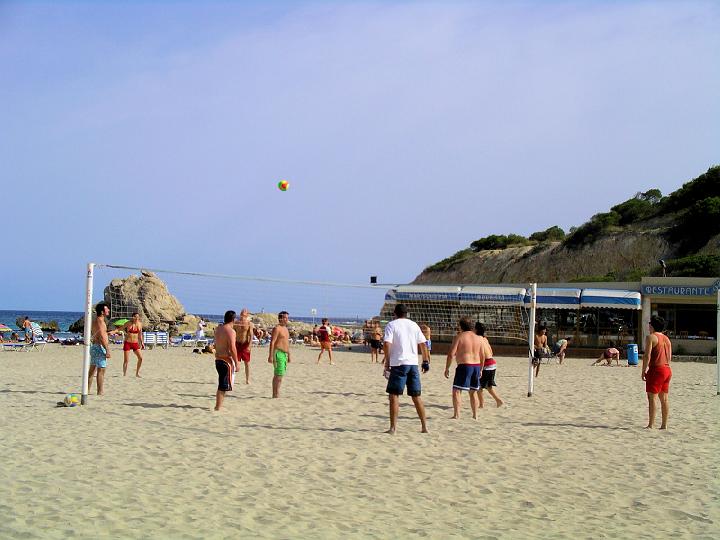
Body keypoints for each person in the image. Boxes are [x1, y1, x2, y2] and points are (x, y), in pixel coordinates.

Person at [383, 303, 429, 434]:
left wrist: (387, 361)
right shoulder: (414, 325)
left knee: (394, 396)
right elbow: (423, 344)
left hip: (398, 363)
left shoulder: (392, 325)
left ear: (395, 313)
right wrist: (425, 361)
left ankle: (393, 428)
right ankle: (424, 427)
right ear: (406, 314)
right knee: (416, 396)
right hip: (413, 364)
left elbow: (387, 343)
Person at [445, 317, 485, 420]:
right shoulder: (479, 338)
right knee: (473, 392)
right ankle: (475, 415)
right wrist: (480, 369)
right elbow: (483, 355)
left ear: (460, 326)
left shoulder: (460, 337)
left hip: (464, 366)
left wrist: (447, 368)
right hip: (476, 366)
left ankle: (456, 415)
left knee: (456, 391)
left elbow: (451, 354)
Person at [642, 315, 672, 429]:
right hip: (667, 369)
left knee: (652, 397)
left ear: (652, 325)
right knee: (664, 398)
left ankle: (651, 424)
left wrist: (643, 370)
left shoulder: (651, 337)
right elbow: (669, 357)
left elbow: (647, 356)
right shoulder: (667, 339)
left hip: (656, 369)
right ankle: (664, 425)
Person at [213, 310, 239, 411]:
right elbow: (232, 348)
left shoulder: (218, 329)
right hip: (225, 361)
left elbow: (216, 344)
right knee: (223, 385)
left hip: (218, 360)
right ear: (233, 319)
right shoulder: (231, 331)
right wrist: (237, 363)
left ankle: (219, 405)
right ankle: (218, 407)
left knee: (222, 383)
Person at [475, 322, 503, 408]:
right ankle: (497, 401)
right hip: (493, 363)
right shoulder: (485, 338)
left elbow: (482, 355)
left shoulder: (477, 339)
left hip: (486, 364)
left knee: (479, 386)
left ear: (476, 330)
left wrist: (480, 368)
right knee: (488, 386)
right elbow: (491, 352)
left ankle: (482, 404)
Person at [88, 303, 111, 395]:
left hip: (94, 346)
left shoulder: (96, 321)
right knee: (101, 370)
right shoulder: (100, 321)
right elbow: (101, 337)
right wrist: (107, 349)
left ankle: (87, 390)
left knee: (92, 370)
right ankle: (100, 391)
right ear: (102, 312)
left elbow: (100, 334)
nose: (108, 310)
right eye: (107, 309)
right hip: (99, 347)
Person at [268, 311, 291, 398]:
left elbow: (286, 343)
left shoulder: (285, 329)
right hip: (278, 353)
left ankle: (276, 393)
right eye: (285, 318)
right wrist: (270, 356)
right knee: (278, 375)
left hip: (284, 354)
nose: (287, 319)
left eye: (287, 318)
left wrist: (289, 355)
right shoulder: (277, 329)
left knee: (280, 375)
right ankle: (275, 394)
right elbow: (272, 342)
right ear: (280, 318)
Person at [233, 308, 254, 384]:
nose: (242, 316)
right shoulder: (236, 322)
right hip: (237, 344)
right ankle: (232, 378)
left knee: (247, 363)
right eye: (241, 314)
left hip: (245, 344)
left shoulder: (249, 324)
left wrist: (250, 345)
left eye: (244, 315)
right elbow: (232, 332)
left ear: (247, 315)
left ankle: (247, 379)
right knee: (235, 362)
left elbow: (251, 335)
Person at [122, 312, 145, 377]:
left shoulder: (140, 324)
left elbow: (140, 334)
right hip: (128, 343)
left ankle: (137, 373)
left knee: (140, 358)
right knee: (126, 360)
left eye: (138, 317)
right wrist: (114, 332)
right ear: (133, 317)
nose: (137, 318)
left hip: (135, 343)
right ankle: (124, 374)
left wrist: (142, 343)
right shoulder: (128, 323)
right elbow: (121, 328)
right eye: (135, 317)